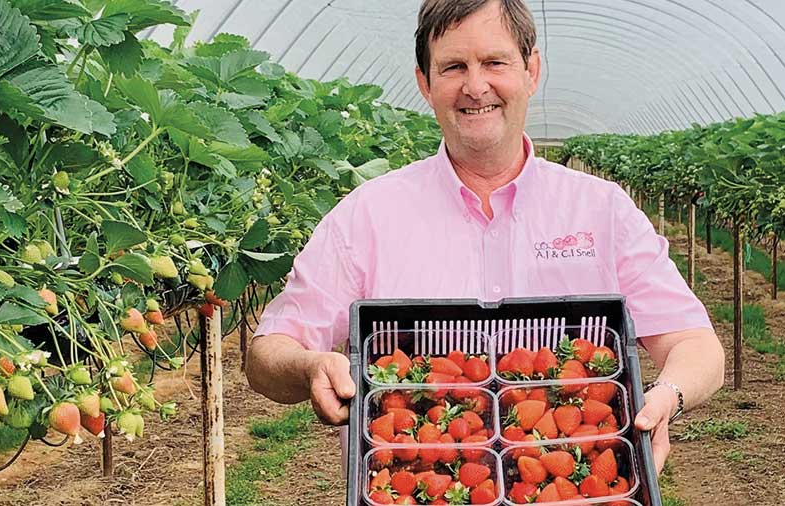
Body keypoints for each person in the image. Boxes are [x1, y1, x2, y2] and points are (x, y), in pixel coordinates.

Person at [245, 0, 724, 477]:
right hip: (415, 480)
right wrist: (309, 367)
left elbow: (696, 344)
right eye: (454, 67)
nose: (476, 87)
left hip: (572, 480)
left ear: (531, 70)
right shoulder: (367, 215)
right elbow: (268, 353)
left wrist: (666, 397)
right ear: (424, 85)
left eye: (495, 62)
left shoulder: (602, 209)